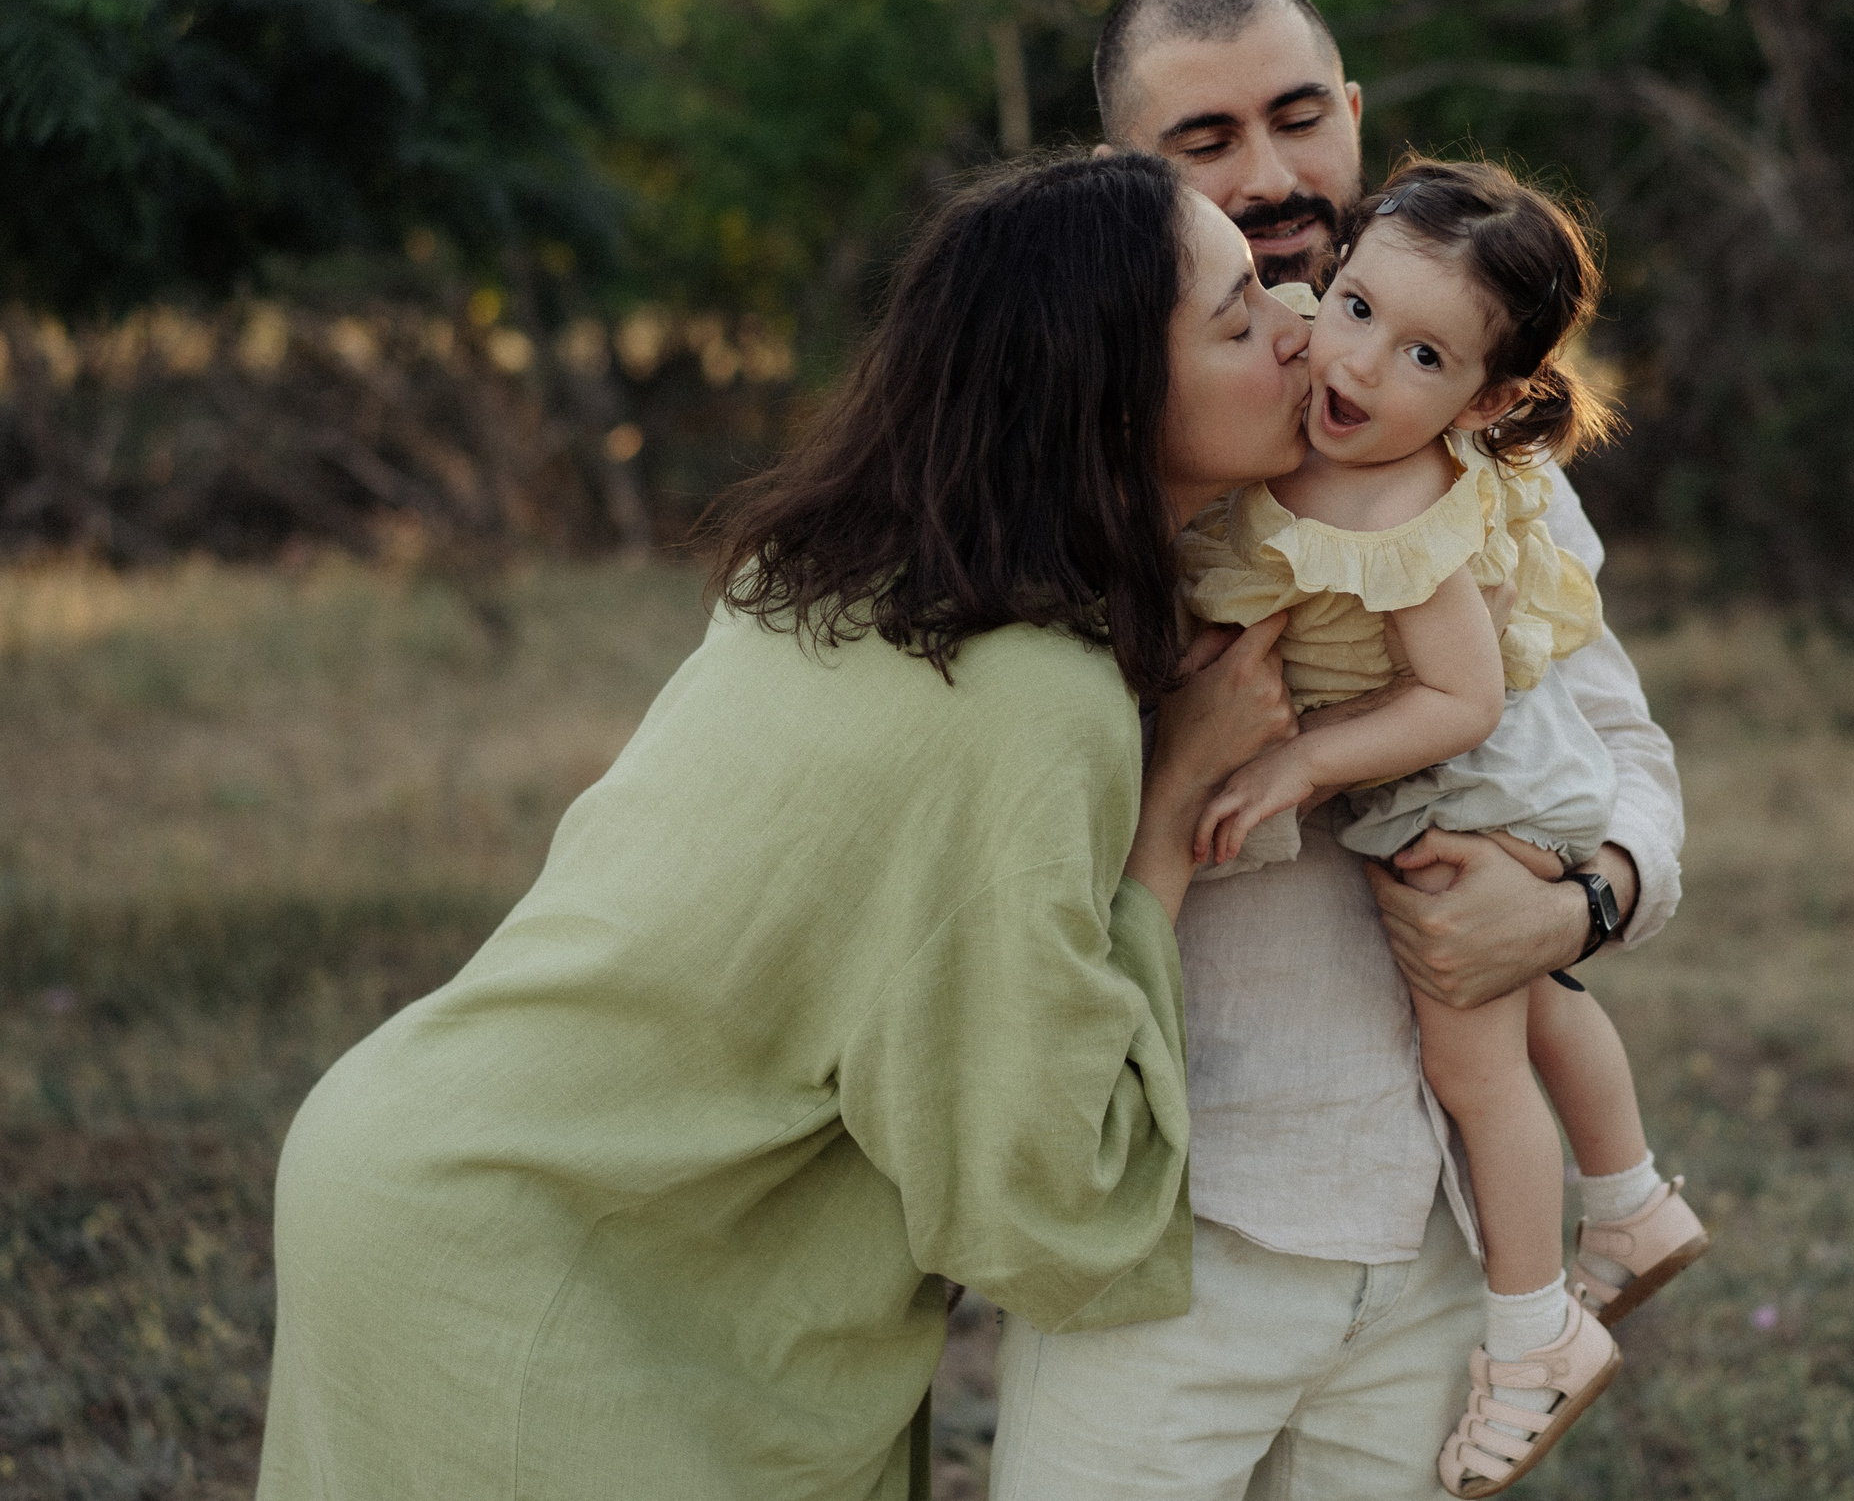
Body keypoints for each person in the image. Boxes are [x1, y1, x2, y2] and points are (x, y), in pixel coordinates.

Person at [255, 152, 1316, 1501]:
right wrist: (1173, 813)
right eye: (1238, 316)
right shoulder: (1035, 696)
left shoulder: (827, 576)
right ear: (1102, 392)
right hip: (552, 1268)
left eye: (1272, 283)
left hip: (416, 1166)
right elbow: (1034, 1177)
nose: (1299, 316)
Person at [991, 0, 1687, 1501]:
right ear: (1125, 176)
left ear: (1355, 115)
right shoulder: (1083, 452)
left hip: (1439, 1238)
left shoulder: (1464, 433)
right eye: (1206, 141)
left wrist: (1578, 902)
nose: (1269, 175)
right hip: (1181, 1232)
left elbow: (1621, 748)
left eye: (1301, 119)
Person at [1182, 158, 1710, 1498]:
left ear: (1485, 402)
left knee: (1475, 1060)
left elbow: (1461, 697)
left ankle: (1535, 1340)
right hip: (1486, 777)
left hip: (1477, 786)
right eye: (1353, 310)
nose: (1354, 360)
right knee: (1536, 1008)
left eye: (1419, 354)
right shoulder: (1298, 370)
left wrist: (1302, 762)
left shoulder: (1402, 502)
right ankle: (1635, 1200)